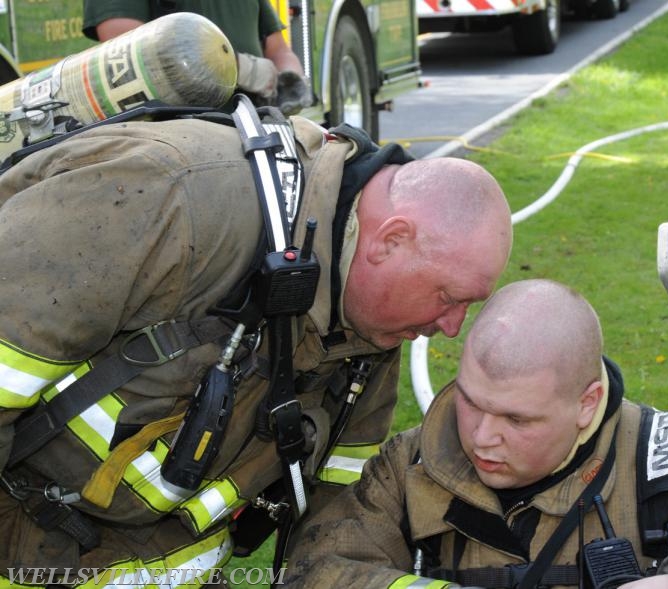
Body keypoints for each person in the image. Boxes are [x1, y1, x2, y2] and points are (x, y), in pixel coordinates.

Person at [0, 106, 513, 585]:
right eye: (448, 297)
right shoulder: (173, 198)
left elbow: (340, 515)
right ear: (391, 240)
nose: (452, 327)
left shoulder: (366, 326)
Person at [285, 279, 668, 589]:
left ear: (587, 405)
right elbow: (316, 569)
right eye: (470, 400)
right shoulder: (411, 467)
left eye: (516, 419)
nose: (482, 438)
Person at [82, 0, 311, 115]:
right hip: (182, 148)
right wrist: (243, 69)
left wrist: (290, 81)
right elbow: (122, 43)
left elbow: (279, 49)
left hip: (256, 138)